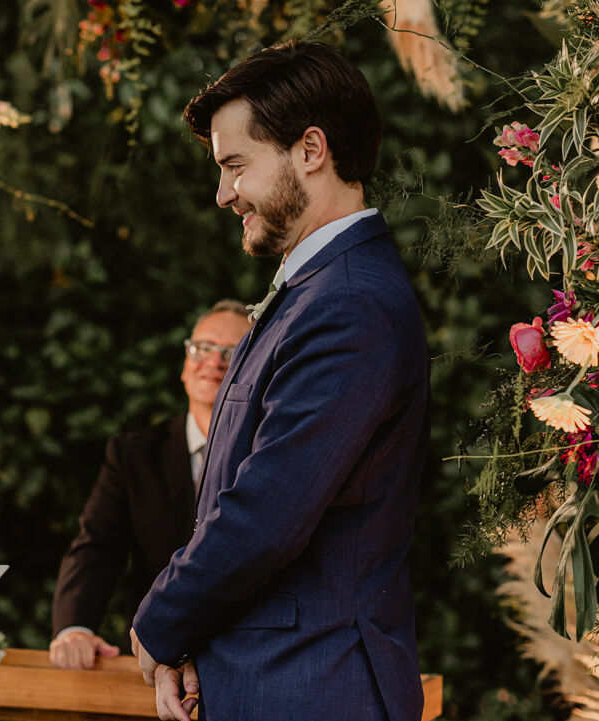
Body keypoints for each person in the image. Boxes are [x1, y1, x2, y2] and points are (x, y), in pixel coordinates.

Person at [129, 42, 431, 721]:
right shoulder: (319, 290)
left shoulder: (349, 303)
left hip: (317, 685)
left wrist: (161, 622)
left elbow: (267, 511)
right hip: (278, 679)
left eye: (236, 165)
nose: (222, 193)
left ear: (310, 150)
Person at [49, 302, 251, 670]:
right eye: (202, 348)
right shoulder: (133, 454)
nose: (214, 362)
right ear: (185, 366)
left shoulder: (269, 454)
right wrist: (75, 628)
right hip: (156, 661)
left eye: (232, 352)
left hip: (250, 659)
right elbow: (97, 547)